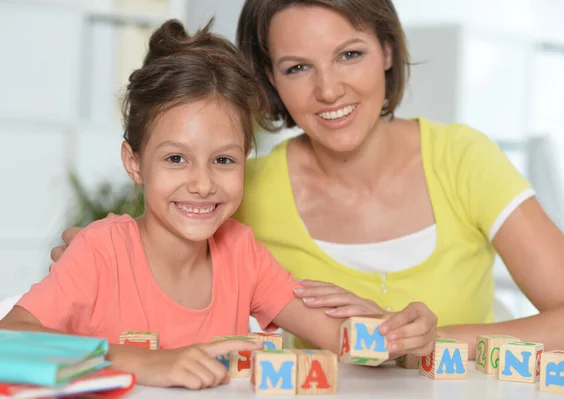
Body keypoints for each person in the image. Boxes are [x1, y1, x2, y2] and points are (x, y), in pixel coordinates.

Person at [53, 0, 564, 360]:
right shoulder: (239, 187)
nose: (329, 90)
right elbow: (152, 248)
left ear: (387, 51)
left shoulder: (462, 159)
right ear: (271, 79)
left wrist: (428, 342)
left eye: (349, 55)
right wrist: (103, 250)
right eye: (297, 68)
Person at [0, 19, 410, 390]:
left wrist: (402, 335)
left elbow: (346, 340)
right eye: (176, 158)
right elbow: (9, 338)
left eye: (224, 160)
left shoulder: (241, 254)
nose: (202, 184)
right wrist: (142, 361)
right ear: (135, 163)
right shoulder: (100, 252)